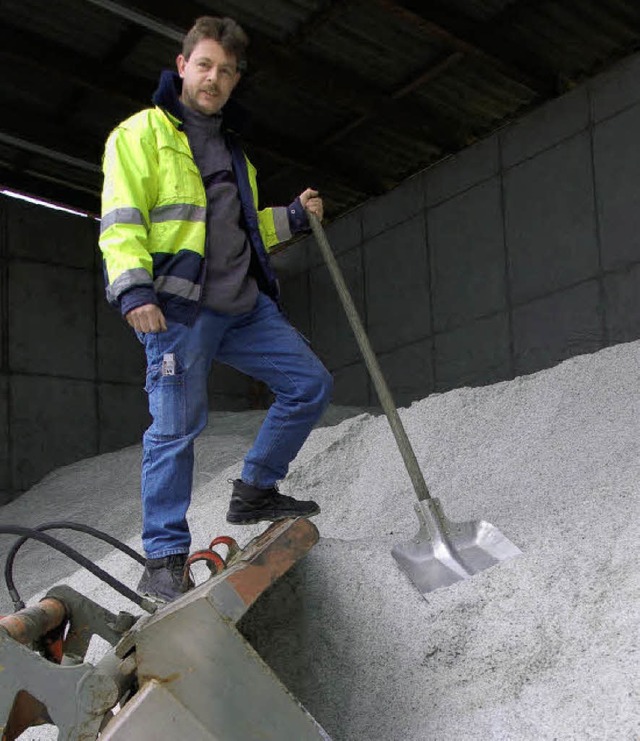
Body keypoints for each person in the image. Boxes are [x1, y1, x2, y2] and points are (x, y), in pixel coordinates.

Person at [99, 16, 333, 602]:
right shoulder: (140, 135)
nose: (214, 78)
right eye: (204, 65)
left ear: (233, 82)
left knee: (310, 385)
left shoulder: (235, 153)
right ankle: (164, 556)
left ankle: (255, 489)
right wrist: (134, 292)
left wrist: (296, 218)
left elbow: (246, 230)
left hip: (244, 309)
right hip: (179, 312)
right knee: (175, 430)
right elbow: (120, 221)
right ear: (182, 67)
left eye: (226, 71)